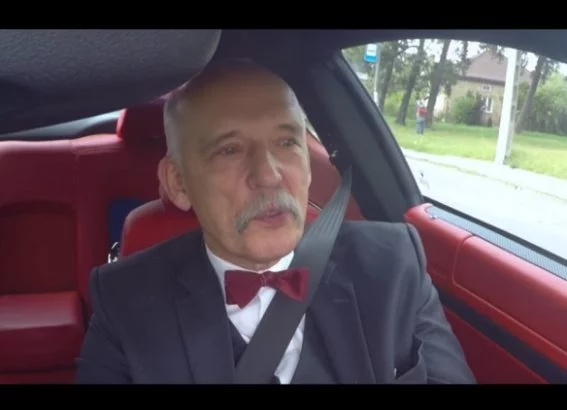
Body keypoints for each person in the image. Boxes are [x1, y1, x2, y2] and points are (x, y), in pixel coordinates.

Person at [74, 59, 476, 384]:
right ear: (179, 183)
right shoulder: (125, 300)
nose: (268, 175)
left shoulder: (394, 264)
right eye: (229, 150)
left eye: (286, 143)